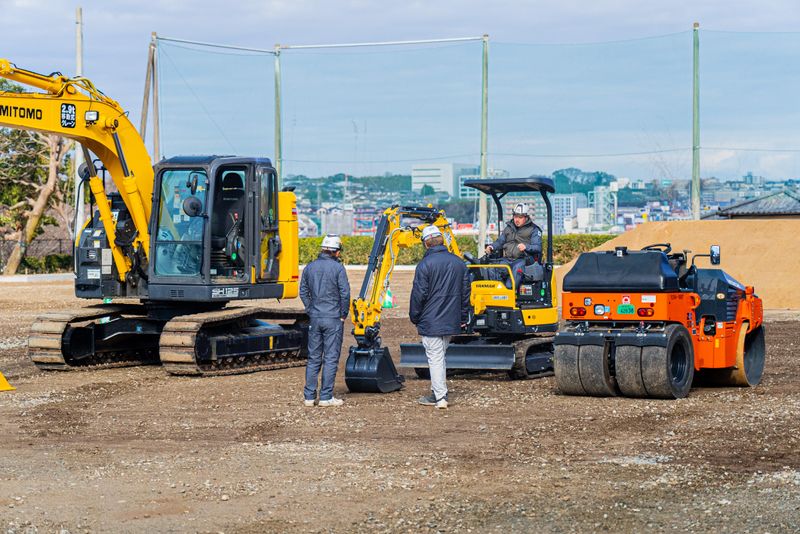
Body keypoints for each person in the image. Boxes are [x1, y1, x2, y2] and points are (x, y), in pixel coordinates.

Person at [409, 225, 471, 409]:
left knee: (435, 358)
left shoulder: (425, 265)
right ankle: (439, 392)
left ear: (426, 244)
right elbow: (465, 293)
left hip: (431, 320)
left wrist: (415, 316)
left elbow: (418, 294)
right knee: (440, 356)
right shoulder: (459, 263)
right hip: (451, 318)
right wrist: (462, 316)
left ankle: (440, 397)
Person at [299, 234, 351, 407]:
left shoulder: (310, 267)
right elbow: (345, 293)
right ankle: (326, 397)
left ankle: (309, 397)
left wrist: (310, 309)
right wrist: (343, 314)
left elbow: (303, 291)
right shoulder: (338, 268)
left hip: (315, 318)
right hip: (333, 318)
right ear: (336, 251)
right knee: (330, 358)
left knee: (314, 357)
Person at [485, 203, 543, 289]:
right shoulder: (508, 228)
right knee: (493, 268)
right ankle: (498, 291)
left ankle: (510, 291)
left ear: (526, 217)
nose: (517, 220)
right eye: (515, 216)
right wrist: (491, 247)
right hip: (508, 259)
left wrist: (526, 247)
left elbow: (537, 247)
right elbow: (500, 241)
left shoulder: (534, 229)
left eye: (520, 217)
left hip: (524, 260)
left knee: (517, 269)